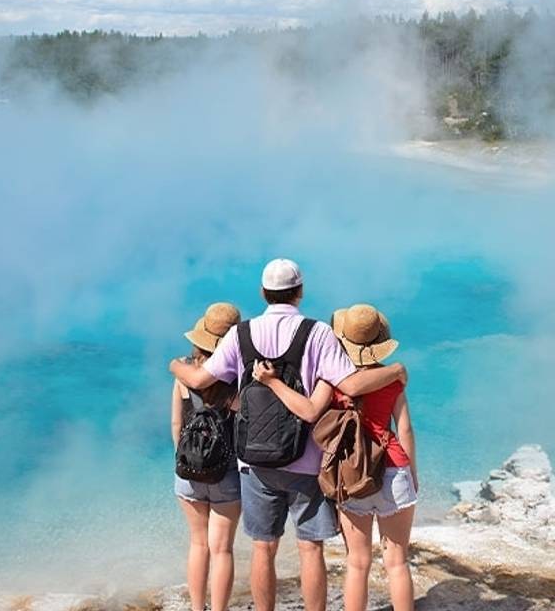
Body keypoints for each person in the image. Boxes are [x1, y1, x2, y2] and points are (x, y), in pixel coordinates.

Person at [169, 259, 407, 611]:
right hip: (306, 459)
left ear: (263, 293)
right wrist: (397, 371)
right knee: (310, 548)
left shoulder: (240, 333)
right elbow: (350, 384)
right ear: (300, 292)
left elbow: (202, 380)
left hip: (253, 461)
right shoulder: (318, 333)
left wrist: (175, 365)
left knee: (264, 548)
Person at [253, 304, 418, 611]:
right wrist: (414, 475)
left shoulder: (331, 381)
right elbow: (405, 429)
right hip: (394, 467)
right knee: (396, 562)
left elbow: (310, 412)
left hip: (349, 474)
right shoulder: (393, 379)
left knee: (357, 563)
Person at [172, 302, 243, 611]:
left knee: (198, 544)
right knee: (222, 549)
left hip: (187, 472)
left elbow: (177, 423)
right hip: (226, 472)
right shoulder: (237, 375)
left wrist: (186, 460)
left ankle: (197, 607)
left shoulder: (185, 374)